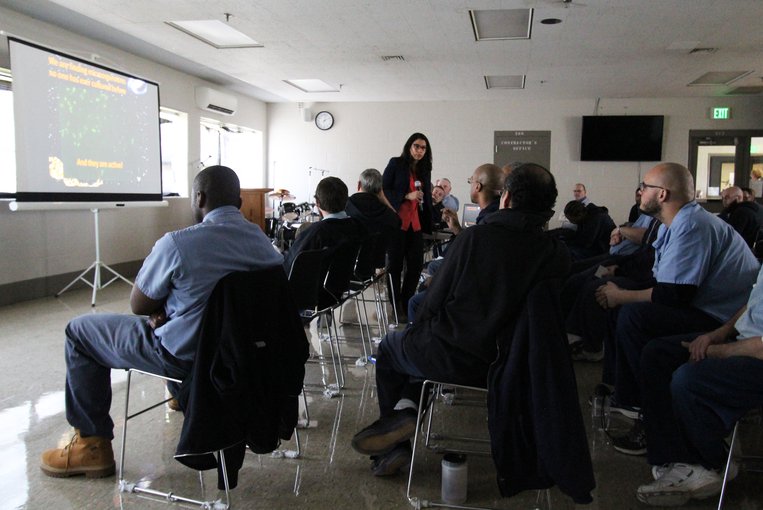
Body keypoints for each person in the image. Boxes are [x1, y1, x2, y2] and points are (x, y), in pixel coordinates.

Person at [40, 165, 284, 478]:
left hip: (188, 359)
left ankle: (91, 445)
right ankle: (185, 398)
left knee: (80, 331)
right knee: (183, 318)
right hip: (242, 357)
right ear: (238, 203)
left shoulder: (178, 244)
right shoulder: (264, 244)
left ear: (198, 198)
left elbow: (139, 305)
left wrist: (167, 309)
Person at [351, 163, 570, 476]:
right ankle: (406, 408)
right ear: (548, 208)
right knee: (419, 353)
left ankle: (394, 446)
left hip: (453, 356)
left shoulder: (476, 239)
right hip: (514, 370)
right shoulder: (556, 255)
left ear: (506, 198)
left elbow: (431, 304)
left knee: (391, 348)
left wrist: (418, 333)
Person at [594, 163, 759, 443]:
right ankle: (625, 394)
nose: (640, 191)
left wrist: (621, 295)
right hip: (708, 306)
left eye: (645, 186)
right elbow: (663, 280)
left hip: (724, 318)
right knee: (622, 305)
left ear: (662, 195)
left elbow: (674, 294)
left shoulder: (692, 225)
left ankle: (641, 410)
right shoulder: (678, 222)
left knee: (633, 316)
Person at [633, 264, 763, 506]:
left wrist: (721, 351)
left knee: (689, 379)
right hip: (746, 341)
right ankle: (676, 457)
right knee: (658, 354)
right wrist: (719, 333)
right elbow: (755, 301)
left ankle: (711, 461)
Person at [283, 176, 366, 307]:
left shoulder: (317, 232)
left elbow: (290, 266)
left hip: (310, 296)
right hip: (337, 290)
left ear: (317, 203)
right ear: (346, 201)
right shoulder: (357, 226)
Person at [383, 133, 433, 318]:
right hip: (398, 223)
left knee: (415, 265)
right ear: (409, 146)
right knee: (394, 266)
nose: (419, 150)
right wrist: (406, 195)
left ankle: (406, 302)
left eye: (423, 148)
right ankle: (396, 306)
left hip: (416, 224)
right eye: (416, 146)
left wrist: (431, 204)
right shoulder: (396, 163)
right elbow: (384, 190)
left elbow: (424, 195)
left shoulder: (424, 170)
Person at [345, 168, 401, 259]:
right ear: (380, 189)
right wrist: (383, 198)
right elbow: (398, 222)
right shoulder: (386, 212)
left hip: (348, 260)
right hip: (374, 261)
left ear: (359, 184)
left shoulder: (346, 204)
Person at [718, 185, 763, 249]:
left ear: (738, 198)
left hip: (744, 250)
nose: (724, 201)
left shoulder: (741, 212)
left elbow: (731, 237)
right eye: (723, 198)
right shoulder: (757, 208)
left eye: (727, 197)